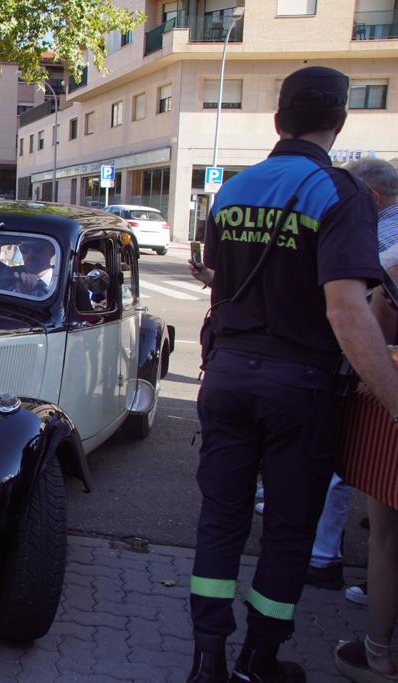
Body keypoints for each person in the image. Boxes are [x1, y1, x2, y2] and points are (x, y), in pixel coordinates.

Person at [185, 66, 398, 683]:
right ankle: (260, 658)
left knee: (220, 518)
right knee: (286, 526)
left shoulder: (234, 189)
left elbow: (219, 287)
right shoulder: (340, 193)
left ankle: (207, 661)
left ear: (279, 119)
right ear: (339, 120)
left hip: (226, 377)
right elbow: (347, 311)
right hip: (298, 388)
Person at [305, 158, 398, 600]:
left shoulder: (380, 238)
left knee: (346, 468)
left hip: (373, 367)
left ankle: (324, 558)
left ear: (371, 198)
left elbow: (361, 312)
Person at [333, 159, 398, 683]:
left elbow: (371, 329)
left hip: (392, 396)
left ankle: (377, 654)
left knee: (387, 533)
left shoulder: (389, 253)